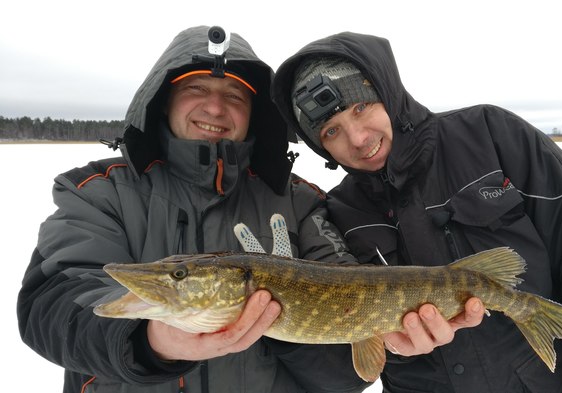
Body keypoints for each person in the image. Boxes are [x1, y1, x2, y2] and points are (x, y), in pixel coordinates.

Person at [271, 32, 562, 392]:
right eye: (331, 132)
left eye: (361, 107)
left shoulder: (491, 136)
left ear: (387, 93)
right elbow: (351, 350)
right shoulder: (338, 211)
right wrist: (396, 352)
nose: (358, 139)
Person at [17, 25, 376, 393]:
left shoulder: (299, 201)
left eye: (235, 96)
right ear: (164, 98)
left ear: (254, 113)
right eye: (196, 88)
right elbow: (51, 307)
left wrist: (280, 317)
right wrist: (150, 341)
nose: (216, 108)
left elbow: (347, 373)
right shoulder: (99, 192)